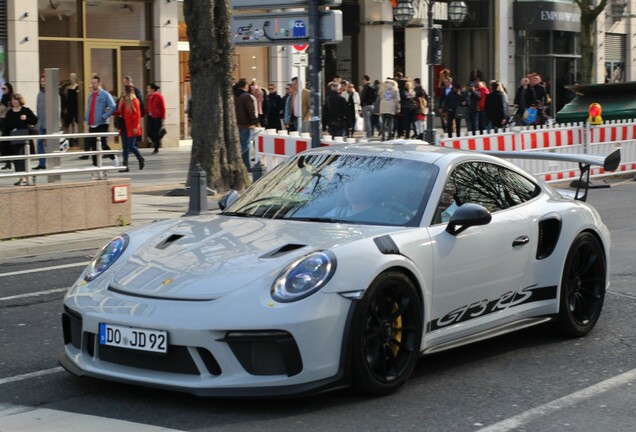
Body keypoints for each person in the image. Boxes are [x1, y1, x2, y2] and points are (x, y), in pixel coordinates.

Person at [1, 93, 38, 186]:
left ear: (20, 100)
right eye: (13, 100)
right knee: (16, 158)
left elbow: (34, 120)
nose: (14, 101)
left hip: (23, 137)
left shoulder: (25, 110)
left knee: (23, 157)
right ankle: (22, 177)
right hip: (13, 137)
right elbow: (5, 124)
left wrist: (26, 118)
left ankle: (25, 177)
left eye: (16, 100)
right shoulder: (10, 112)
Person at [84, 75, 118, 168]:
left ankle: (113, 157)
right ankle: (95, 165)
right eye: (92, 83)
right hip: (92, 123)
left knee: (103, 144)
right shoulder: (90, 96)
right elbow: (88, 109)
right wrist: (86, 120)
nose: (93, 84)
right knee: (93, 145)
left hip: (102, 123)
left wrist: (105, 116)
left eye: (95, 83)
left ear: (99, 83)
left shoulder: (105, 94)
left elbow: (113, 106)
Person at [115, 85, 145, 172]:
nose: (122, 91)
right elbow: (120, 112)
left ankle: (140, 158)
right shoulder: (122, 101)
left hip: (131, 127)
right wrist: (112, 112)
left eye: (124, 90)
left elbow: (137, 114)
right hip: (124, 126)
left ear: (128, 91)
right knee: (125, 147)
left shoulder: (134, 101)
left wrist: (136, 126)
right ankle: (125, 166)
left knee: (131, 146)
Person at [34, 75, 60, 170]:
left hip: (51, 124)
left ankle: (52, 163)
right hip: (42, 124)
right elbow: (38, 108)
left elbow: (58, 109)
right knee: (40, 142)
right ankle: (41, 163)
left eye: (45, 81)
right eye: (42, 81)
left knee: (50, 145)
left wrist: (57, 123)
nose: (43, 83)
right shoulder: (39, 94)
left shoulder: (54, 94)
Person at [234, 78, 259, 170]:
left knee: (245, 145)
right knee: (245, 145)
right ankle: (234, 160)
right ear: (246, 86)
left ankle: (247, 165)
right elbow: (250, 110)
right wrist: (255, 121)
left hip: (237, 124)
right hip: (246, 124)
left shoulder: (234, 95)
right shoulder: (246, 96)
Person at [145, 82, 166, 154]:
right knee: (149, 133)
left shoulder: (159, 96)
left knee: (155, 133)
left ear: (153, 89)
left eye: (148, 88)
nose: (147, 90)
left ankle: (156, 147)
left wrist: (163, 118)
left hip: (157, 117)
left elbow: (163, 108)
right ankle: (157, 141)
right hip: (150, 117)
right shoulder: (148, 97)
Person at [62, 72, 80, 147]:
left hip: (75, 106)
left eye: (73, 77)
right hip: (69, 106)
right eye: (70, 77)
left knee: (75, 123)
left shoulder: (77, 86)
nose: (71, 78)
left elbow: (78, 98)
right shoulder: (67, 87)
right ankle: (69, 138)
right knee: (68, 123)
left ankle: (75, 138)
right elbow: (66, 98)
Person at [0, 82, 14, 169]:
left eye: (4, 89)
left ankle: (8, 161)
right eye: (2, 89)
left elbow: (2, 109)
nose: (3, 90)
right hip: (3, 121)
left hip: (7, 122)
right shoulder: (5, 98)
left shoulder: (8, 98)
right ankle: (7, 162)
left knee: (6, 142)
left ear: (9, 89)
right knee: (4, 143)